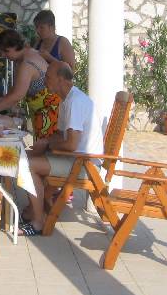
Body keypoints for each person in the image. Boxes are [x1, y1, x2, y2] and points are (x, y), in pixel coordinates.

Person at [19, 61, 104, 236]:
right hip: (77, 160)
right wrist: (44, 144)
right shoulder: (67, 100)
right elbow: (60, 135)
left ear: (61, 79)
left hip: (85, 166)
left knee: (26, 166)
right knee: (26, 157)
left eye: (48, 77)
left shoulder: (75, 102)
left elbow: (71, 144)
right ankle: (35, 209)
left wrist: (48, 144)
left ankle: (38, 222)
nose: (45, 81)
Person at [0, 29, 60, 143]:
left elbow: (17, 96)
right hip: (41, 108)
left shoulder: (27, 63)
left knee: (44, 147)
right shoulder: (23, 57)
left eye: (6, 51)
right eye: (1, 52)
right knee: (40, 145)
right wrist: (2, 100)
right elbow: (16, 88)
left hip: (48, 110)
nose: (3, 55)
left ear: (16, 46)